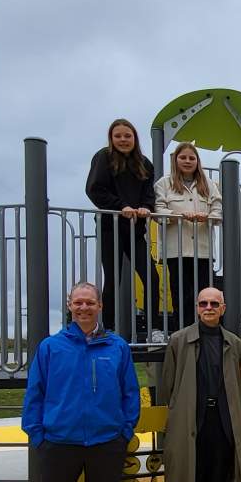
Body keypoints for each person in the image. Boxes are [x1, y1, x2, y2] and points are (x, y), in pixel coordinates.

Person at [21, 282, 140, 482]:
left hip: (106, 441)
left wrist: (124, 430)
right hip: (59, 443)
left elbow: (130, 392)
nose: (84, 308)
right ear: (69, 306)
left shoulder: (117, 347)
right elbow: (35, 394)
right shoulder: (50, 348)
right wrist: (38, 435)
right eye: (78, 303)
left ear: (100, 306)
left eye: (90, 302)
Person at [158, 286, 241, 482]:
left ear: (223, 308)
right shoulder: (179, 340)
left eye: (214, 303)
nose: (208, 307)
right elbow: (168, 386)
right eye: (203, 303)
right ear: (197, 308)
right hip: (189, 427)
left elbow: (234, 382)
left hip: (220, 426)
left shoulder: (233, 344)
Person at [85, 118, 165, 341]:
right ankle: (108, 328)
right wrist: (121, 207)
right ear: (111, 138)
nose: (123, 140)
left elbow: (150, 193)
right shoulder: (104, 158)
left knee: (151, 276)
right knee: (112, 278)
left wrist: (146, 208)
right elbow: (94, 189)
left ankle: (154, 328)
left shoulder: (145, 164)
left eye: (127, 136)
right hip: (111, 227)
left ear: (134, 138)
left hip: (135, 229)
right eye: (118, 136)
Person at [154, 142, 222, 328]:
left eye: (192, 158)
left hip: (203, 250)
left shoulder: (208, 184)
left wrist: (205, 217)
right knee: (179, 292)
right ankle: (183, 330)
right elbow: (158, 212)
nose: (187, 161)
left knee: (203, 293)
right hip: (176, 250)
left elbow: (218, 212)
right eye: (183, 157)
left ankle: (204, 328)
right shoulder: (164, 184)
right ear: (175, 160)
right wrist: (178, 216)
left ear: (197, 161)